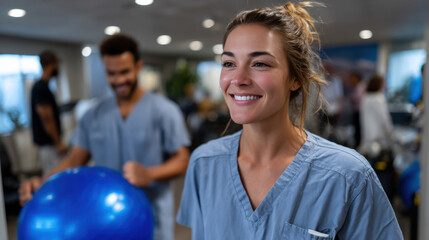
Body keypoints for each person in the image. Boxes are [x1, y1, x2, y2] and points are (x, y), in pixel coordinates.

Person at [177, 2, 403, 239]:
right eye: (229, 63)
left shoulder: (347, 176)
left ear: (295, 78)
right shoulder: (205, 163)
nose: (239, 79)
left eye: (260, 64)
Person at [20, 34, 191, 240]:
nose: (118, 80)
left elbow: (182, 159)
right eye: (111, 73)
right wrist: (44, 182)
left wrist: (150, 173)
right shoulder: (94, 114)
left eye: (124, 72)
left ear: (138, 66)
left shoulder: (165, 110)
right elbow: (75, 159)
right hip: (103, 221)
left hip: (150, 218)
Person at [30, 50, 67, 175]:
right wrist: (58, 143)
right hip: (49, 144)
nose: (58, 68)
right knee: (53, 175)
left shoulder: (44, 87)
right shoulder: (40, 88)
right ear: (52, 65)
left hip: (50, 143)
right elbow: (46, 117)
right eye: (57, 64)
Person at [359, 75, 394, 155]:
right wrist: (390, 132)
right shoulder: (379, 98)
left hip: (366, 134)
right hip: (378, 136)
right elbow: (384, 117)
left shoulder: (365, 97)